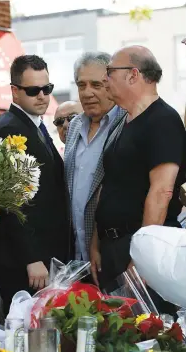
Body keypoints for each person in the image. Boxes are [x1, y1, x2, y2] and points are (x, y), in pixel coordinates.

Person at [91, 46, 186, 314]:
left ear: (133, 75)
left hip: (140, 247)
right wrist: (96, 243)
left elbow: (162, 191)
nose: (105, 79)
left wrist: (143, 257)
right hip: (112, 249)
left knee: (143, 338)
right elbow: (110, 183)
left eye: (110, 72)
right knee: (114, 339)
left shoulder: (163, 120)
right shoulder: (123, 122)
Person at [0, 55, 70, 315]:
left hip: (46, 255)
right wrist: (31, 258)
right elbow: (11, 202)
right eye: (33, 91)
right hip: (24, 260)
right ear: (14, 91)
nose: (42, 96)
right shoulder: (9, 129)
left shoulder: (35, 126)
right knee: (29, 329)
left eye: (47, 89)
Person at [64, 52, 126, 264]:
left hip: (110, 250)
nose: (87, 93)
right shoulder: (73, 127)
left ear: (110, 84)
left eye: (96, 85)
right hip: (74, 253)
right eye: (82, 85)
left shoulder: (127, 123)